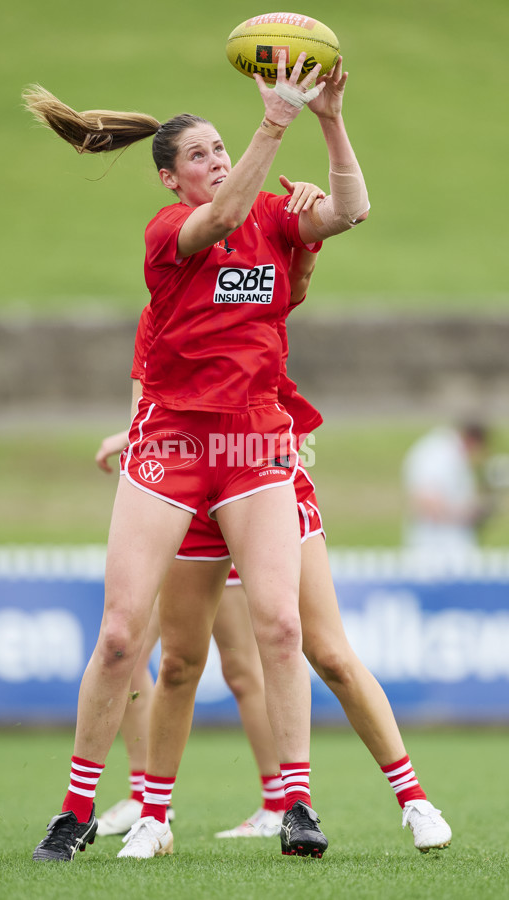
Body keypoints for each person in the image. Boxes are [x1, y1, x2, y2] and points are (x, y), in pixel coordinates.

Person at [25, 50, 369, 862]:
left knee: (281, 628)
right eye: (199, 156)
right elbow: (216, 222)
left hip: (253, 441)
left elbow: (350, 211)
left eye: (221, 150)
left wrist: (328, 119)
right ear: (170, 182)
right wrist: (273, 120)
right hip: (173, 442)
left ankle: (295, 805)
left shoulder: (277, 217)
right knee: (121, 639)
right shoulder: (170, 232)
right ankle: (75, 811)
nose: (215, 163)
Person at [94, 226, 326, 842]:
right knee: (138, 652)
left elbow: (264, 363)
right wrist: (134, 440)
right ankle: (150, 797)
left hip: (243, 484)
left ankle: (277, 799)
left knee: (243, 660)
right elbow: (156, 400)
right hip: (184, 494)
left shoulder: (243, 292)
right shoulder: (161, 310)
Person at [401, 421, 494, 551]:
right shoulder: (437, 454)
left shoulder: (452, 455)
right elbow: (427, 502)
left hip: (451, 543)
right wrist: (467, 514)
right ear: (474, 440)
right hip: (436, 546)